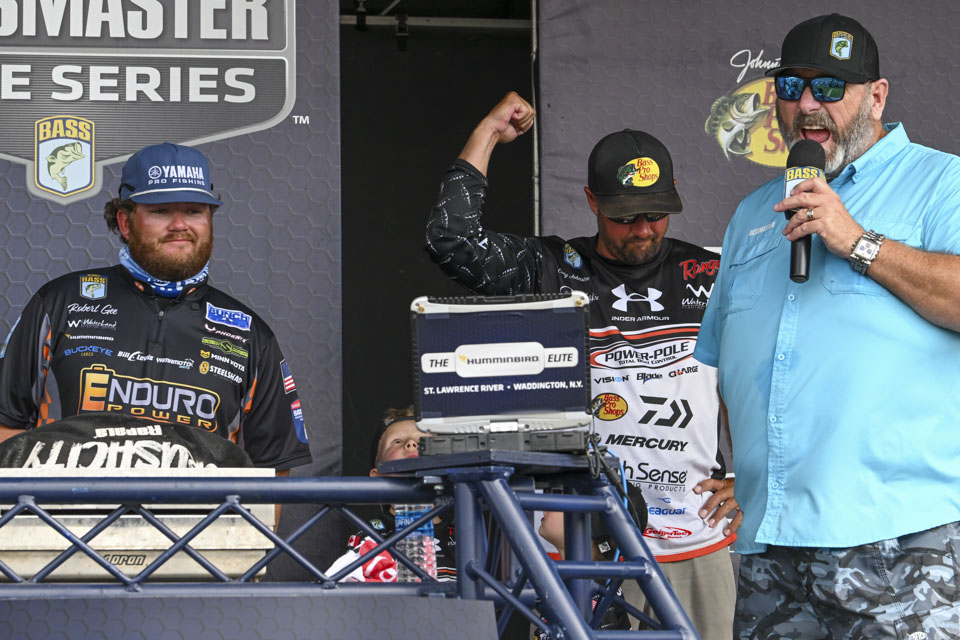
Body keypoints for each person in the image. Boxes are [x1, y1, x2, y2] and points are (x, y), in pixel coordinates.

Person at [426, 92, 741, 640]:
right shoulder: (552, 268)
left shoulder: (711, 273)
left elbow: (760, 381)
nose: (643, 229)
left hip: (695, 534)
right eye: (625, 217)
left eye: (656, 214)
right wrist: (489, 132)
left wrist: (752, 477)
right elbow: (451, 240)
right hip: (583, 540)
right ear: (593, 202)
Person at [694, 13, 960, 640]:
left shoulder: (942, 180)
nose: (809, 105)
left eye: (831, 87)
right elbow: (729, 360)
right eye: (792, 87)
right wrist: (747, 472)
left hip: (900, 537)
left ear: (877, 96)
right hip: (772, 545)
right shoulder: (752, 213)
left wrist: (858, 242)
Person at [0, 142, 311, 476]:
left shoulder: (250, 335)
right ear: (125, 222)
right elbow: (6, 429)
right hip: (72, 510)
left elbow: (272, 472)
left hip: (200, 513)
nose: (179, 225)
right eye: (161, 211)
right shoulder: (59, 302)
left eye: (193, 211)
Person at [329, 408, 457, 583]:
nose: (411, 444)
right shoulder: (371, 535)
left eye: (424, 441)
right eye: (397, 442)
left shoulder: (463, 535)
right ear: (377, 477)